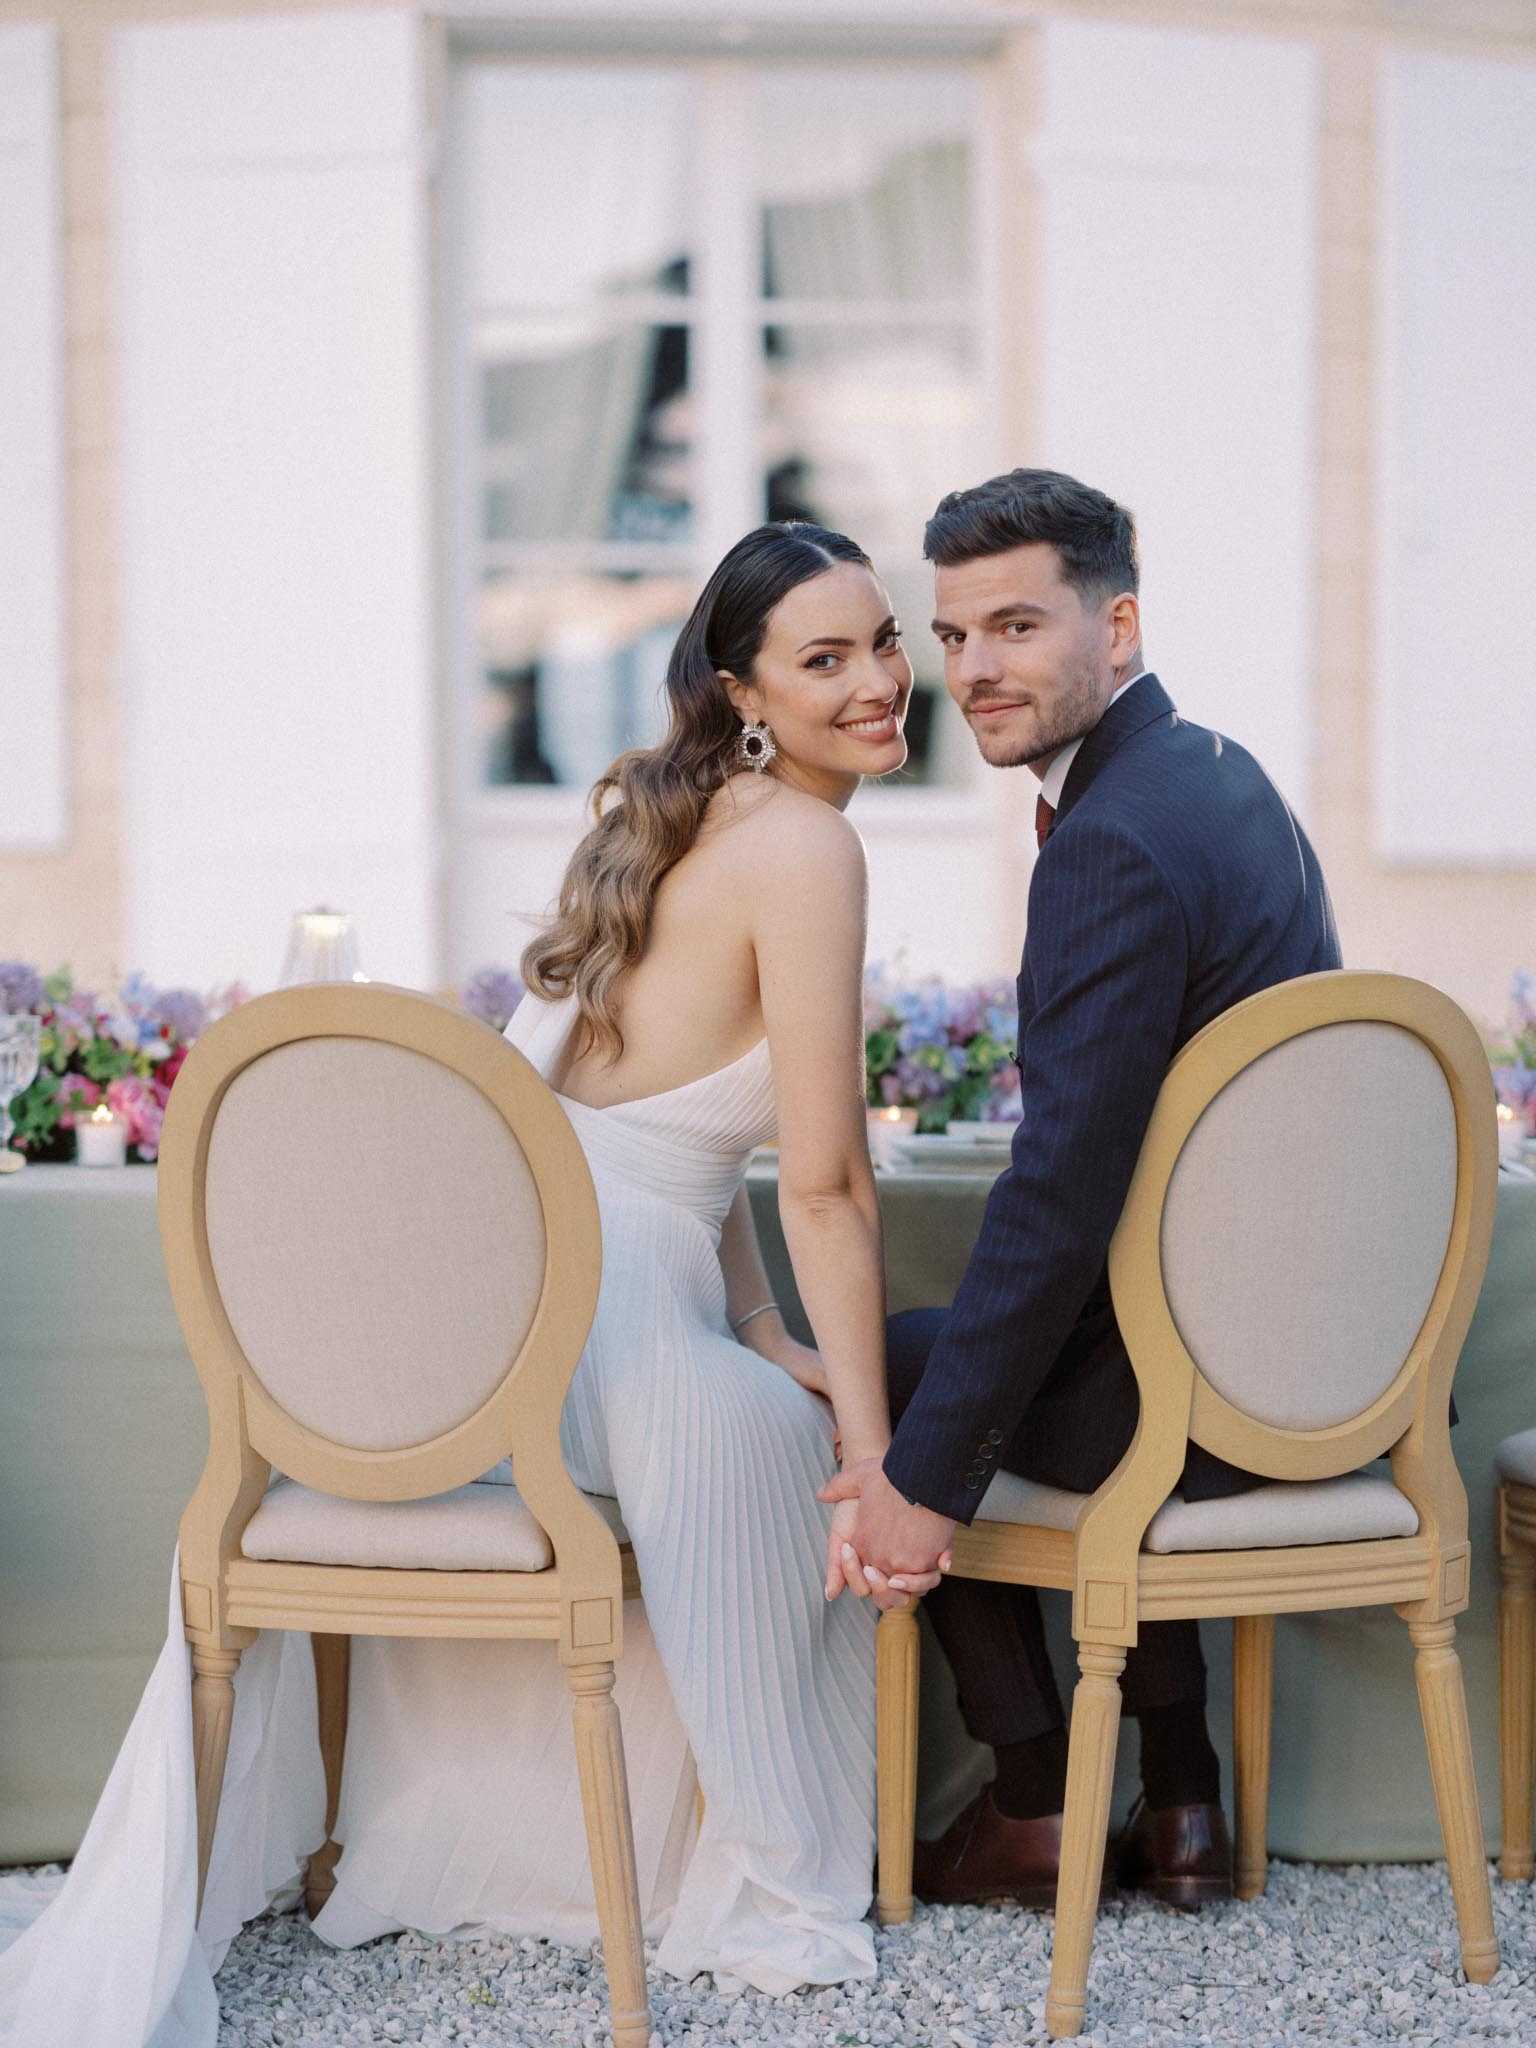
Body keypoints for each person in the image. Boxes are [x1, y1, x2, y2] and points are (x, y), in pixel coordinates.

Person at [0, 521, 928, 2045]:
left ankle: (548, 1842)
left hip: (524, 1282)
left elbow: (678, 1141)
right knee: (781, 1451)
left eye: (884, 641)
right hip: (601, 1299)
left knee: (758, 1400)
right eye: (825, 658)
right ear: (744, 690)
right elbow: (823, 1179)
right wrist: (875, 1454)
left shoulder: (684, 814)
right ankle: (746, 1867)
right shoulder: (809, 846)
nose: (880, 681)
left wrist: (760, 1326)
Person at [823, 468, 1342, 1909]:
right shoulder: (1223, 775)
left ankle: (1038, 1804)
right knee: (1056, 1342)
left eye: (1016, 627)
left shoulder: (1111, 840)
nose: (974, 669)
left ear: (1117, 625)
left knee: (919, 1371)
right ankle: (1180, 1804)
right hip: (1313, 1367)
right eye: (954, 635)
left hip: (1221, 1403)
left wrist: (924, 1486)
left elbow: (1058, 1199)